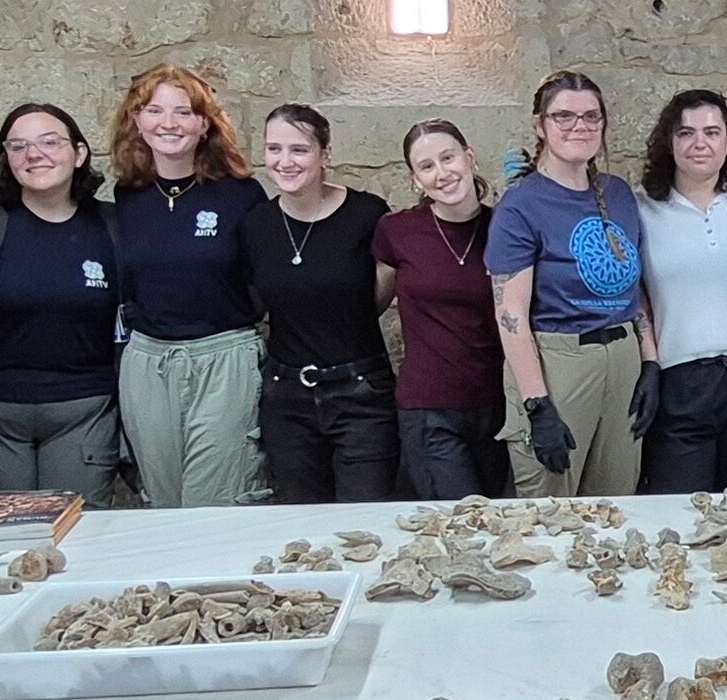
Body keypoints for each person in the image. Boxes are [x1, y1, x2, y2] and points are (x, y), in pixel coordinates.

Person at [0, 102, 131, 507]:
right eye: (18, 146)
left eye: (50, 142)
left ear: (79, 153)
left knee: (78, 536)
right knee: (9, 538)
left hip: (84, 410)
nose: (34, 154)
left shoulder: (113, 225)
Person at [106, 63, 267, 508]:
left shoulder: (241, 195)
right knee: (162, 500)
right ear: (136, 121)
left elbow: (263, 281)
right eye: (155, 111)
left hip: (223, 356)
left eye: (184, 112)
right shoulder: (126, 197)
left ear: (204, 124)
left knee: (214, 499)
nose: (169, 124)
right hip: (148, 361)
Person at [491, 70, 652, 497]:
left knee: (617, 505)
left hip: (622, 358)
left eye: (590, 116)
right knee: (549, 510)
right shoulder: (521, 205)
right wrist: (537, 405)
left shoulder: (618, 195)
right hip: (557, 360)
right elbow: (510, 314)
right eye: (563, 116)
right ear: (539, 124)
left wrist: (650, 361)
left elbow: (631, 286)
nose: (579, 126)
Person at [245, 103, 396, 504]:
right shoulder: (256, 224)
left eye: (299, 149)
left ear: (325, 154)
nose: (285, 161)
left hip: (361, 393)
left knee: (365, 521)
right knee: (301, 521)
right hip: (286, 398)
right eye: (274, 149)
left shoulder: (367, 214)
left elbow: (380, 294)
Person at [637, 89, 727, 494]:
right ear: (669, 142)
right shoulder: (642, 208)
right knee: (681, 508)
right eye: (686, 133)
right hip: (680, 376)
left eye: (711, 132)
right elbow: (634, 292)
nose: (699, 143)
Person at [379, 118, 512, 500]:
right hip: (429, 409)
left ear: (470, 158)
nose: (442, 173)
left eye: (448, 158)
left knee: (497, 524)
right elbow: (373, 303)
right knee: (460, 520)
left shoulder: (504, 227)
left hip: (497, 406)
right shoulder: (397, 231)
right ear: (415, 178)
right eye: (427, 166)